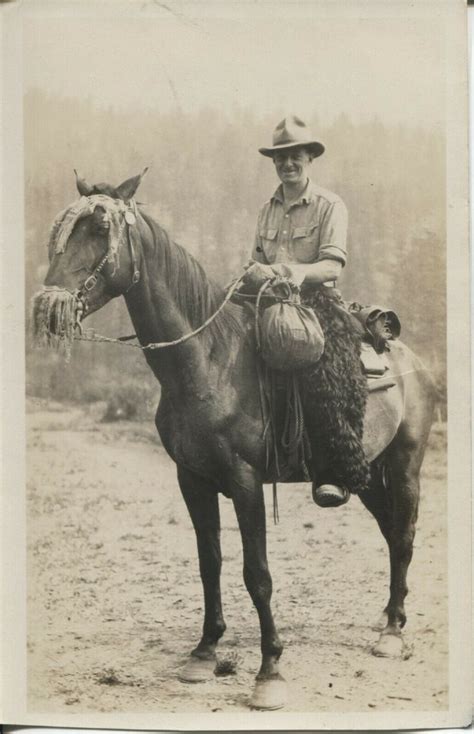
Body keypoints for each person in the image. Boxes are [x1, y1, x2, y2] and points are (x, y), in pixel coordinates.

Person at [248, 115, 370, 507]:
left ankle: (333, 470)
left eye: (295, 156)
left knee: (326, 370)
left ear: (309, 158)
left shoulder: (329, 205)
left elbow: (332, 265)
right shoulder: (266, 210)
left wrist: (292, 273)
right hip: (268, 302)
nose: (287, 164)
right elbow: (256, 260)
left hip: (316, 303)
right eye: (280, 158)